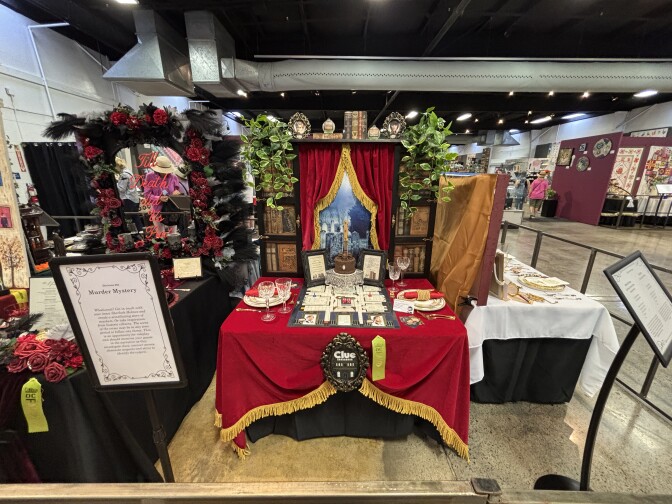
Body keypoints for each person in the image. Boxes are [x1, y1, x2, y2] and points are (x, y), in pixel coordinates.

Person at [143, 155, 185, 235]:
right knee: (160, 234)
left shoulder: (173, 177)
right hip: (157, 209)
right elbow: (147, 195)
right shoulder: (150, 176)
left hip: (172, 209)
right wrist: (159, 198)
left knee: (173, 234)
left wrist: (177, 193)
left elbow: (178, 192)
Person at [115, 157, 144, 232]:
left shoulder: (123, 175)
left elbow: (121, 188)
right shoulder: (128, 171)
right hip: (134, 198)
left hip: (128, 199)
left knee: (129, 220)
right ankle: (141, 234)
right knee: (136, 218)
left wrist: (115, 183)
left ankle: (133, 235)